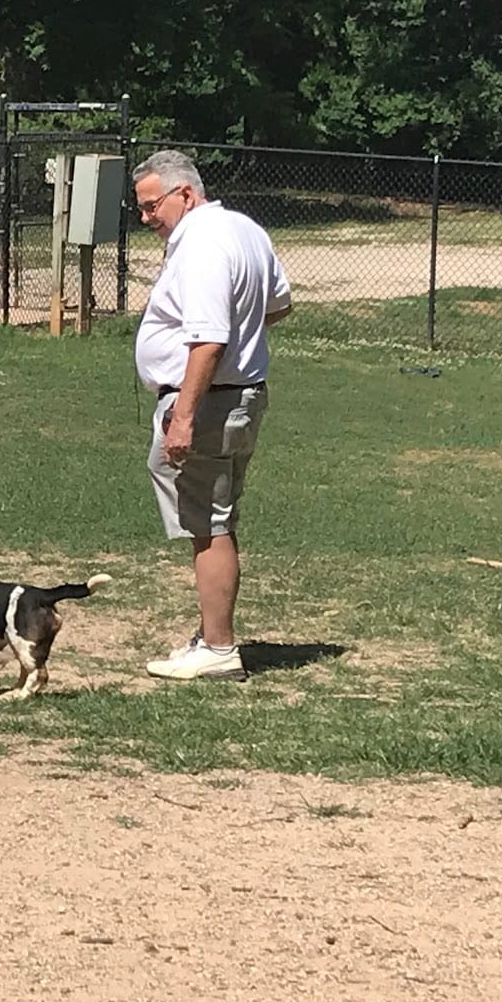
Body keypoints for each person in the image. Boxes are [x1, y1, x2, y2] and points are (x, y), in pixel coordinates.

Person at [130, 150, 291, 681]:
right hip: (239, 394)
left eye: (152, 205)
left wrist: (183, 416)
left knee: (210, 524)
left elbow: (208, 340)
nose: (146, 217)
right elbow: (280, 304)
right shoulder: (244, 229)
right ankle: (210, 634)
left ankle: (219, 649)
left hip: (211, 401)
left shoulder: (199, 244)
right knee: (211, 516)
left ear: (185, 194)